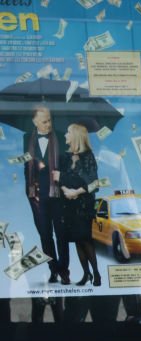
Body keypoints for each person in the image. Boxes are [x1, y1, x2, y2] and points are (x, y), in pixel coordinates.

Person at [23, 105, 70, 285]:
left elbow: (67, 164)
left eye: (50, 120)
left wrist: (63, 180)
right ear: (35, 122)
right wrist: (29, 189)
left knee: (61, 234)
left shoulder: (60, 135)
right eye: (44, 121)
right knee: (45, 235)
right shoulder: (27, 138)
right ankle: (53, 270)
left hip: (57, 194)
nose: (48, 124)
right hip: (37, 196)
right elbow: (26, 166)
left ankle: (64, 271)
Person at [57, 124, 101, 287]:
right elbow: (58, 177)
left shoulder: (88, 156)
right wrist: (65, 189)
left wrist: (75, 192)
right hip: (68, 205)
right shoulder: (65, 156)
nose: (65, 136)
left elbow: (94, 183)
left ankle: (96, 273)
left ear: (75, 136)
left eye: (68, 132)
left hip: (83, 205)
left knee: (85, 239)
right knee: (76, 240)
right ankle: (86, 274)